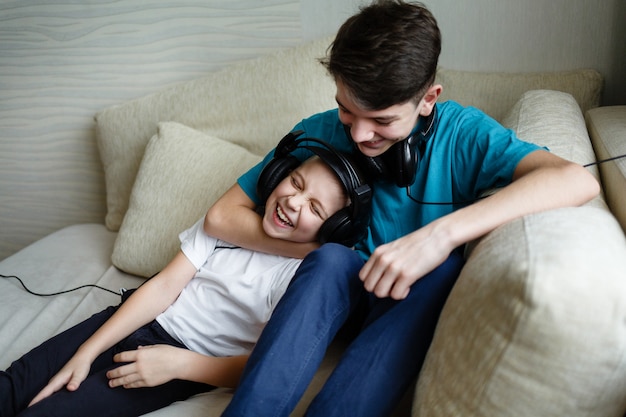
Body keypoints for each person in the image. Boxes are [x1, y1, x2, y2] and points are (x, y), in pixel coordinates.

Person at [204, 1, 601, 416]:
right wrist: (316, 250)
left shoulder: (463, 134)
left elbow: (575, 179)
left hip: (407, 300)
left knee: (443, 267)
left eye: (381, 120)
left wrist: (439, 235)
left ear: (428, 99)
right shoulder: (320, 131)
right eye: (346, 109)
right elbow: (221, 216)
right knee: (331, 261)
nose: (358, 133)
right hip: (331, 293)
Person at [0, 146, 372, 417]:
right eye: (296, 183)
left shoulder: (304, 279)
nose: (293, 201)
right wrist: (86, 351)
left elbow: (270, 365)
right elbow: (163, 287)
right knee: (15, 384)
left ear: (334, 228)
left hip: (180, 361)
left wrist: (179, 366)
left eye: (315, 208)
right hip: (139, 318)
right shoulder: (233, 224)